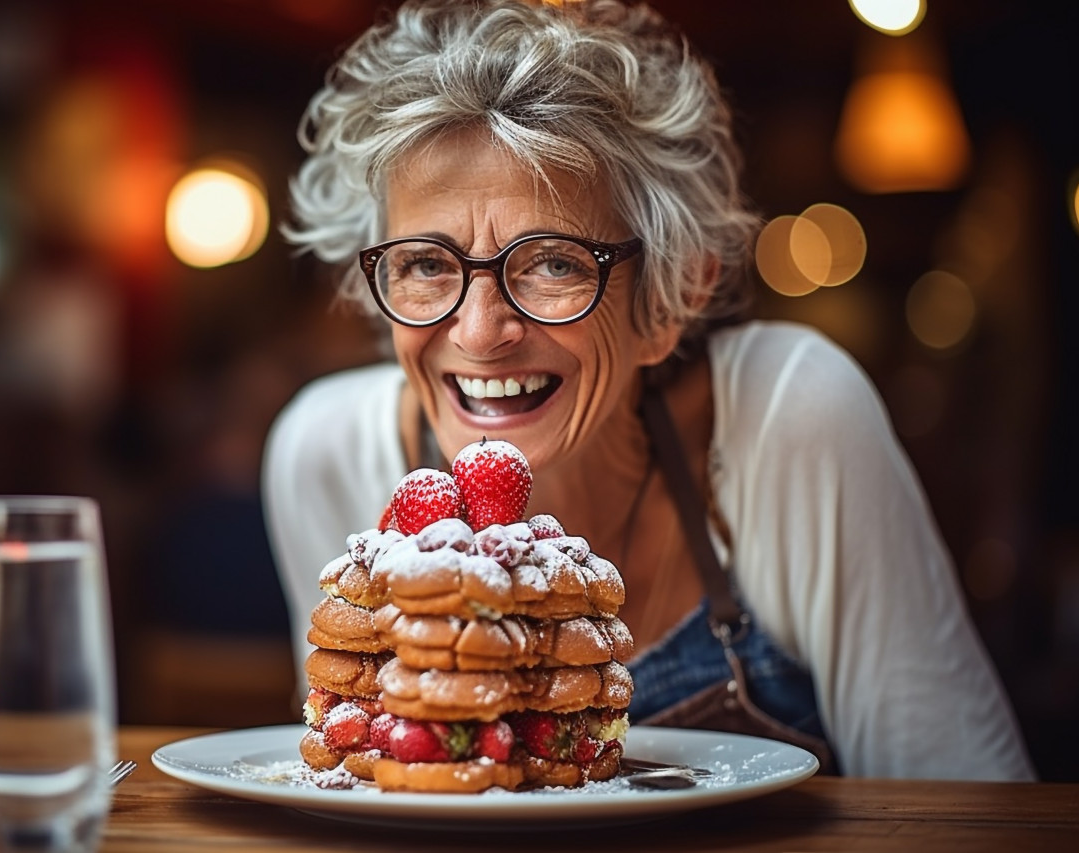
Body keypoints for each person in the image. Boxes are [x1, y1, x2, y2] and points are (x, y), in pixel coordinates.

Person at [261, 0, 1034, 780]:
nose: (478, 330)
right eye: (427, 264)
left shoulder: (791, 416)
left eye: (553, 262)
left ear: (669, 299)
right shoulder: (327, 454)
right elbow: (358, 781)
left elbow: (964, 801)